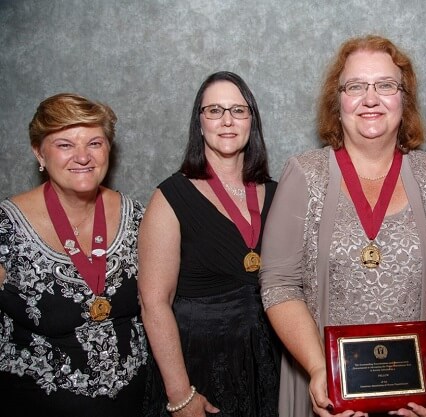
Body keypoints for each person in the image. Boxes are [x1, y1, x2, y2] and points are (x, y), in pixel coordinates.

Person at [259, 35, 426, 417]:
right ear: (338, 100)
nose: (371, 98)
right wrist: (316, 368)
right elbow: (280, 285)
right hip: (328, 392)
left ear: (404, 99)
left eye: (385, 85)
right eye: (356, 86)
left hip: (414, 400)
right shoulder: (304, 174)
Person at [138, 71, 280, 417]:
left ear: (252, 121)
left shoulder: (279, 193)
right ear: (198, 123)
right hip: (198, 372)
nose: (227, 120)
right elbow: (154, 304)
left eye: (238, 110)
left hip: (270, 368)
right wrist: (180, 395)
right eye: (214, 110)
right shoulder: (170, 197)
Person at [0, 93, 149, 416]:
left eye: (94, 143)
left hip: (133, 405)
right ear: (39, 152)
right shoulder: (6, 227)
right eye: (65, 145)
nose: (82, 157)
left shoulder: (138, 216)